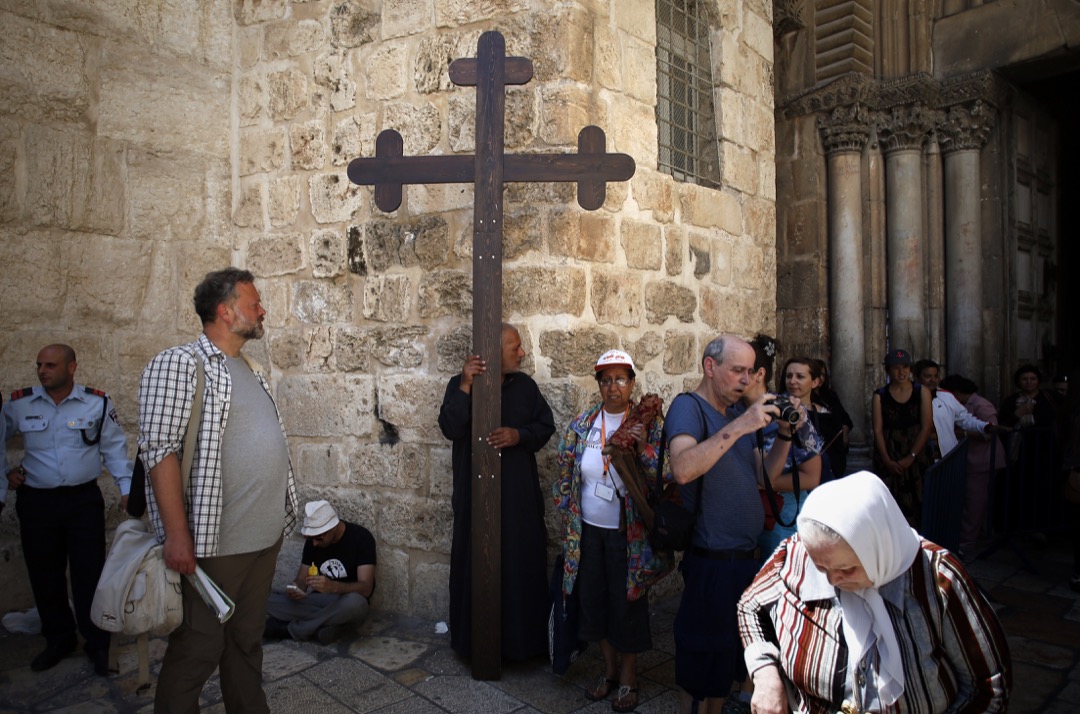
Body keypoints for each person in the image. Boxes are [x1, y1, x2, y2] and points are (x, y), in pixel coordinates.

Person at [138, 267, 299, 714]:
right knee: (197, 650)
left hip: (263, 539)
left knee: (246, 643)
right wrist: (176, 535)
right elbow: (159, 451)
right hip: (214, 544)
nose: (262, 309)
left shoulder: (249, 367)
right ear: (225, 312)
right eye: (253, 303)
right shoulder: (181, 363)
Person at [738, 471, 1012, 714]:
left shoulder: (937, 577)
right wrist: (764, 674)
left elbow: (989, 685)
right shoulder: (798, 554)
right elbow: (750, 606)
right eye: (821, 567)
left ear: (879, 550)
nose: (833, 579)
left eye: (848, 568)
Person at [665, 334, 788, 714]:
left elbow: (762, 475)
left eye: (751, 372)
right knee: (701, 658)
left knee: (729, 659)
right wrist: (744, 424)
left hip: (746, 561)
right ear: (710, 366)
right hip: (712, 561)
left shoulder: (735, 415)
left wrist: (784, 435)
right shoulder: (689, 408)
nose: (746, 380)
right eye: (738, 370)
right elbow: (683, 469)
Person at [0, 344, 133, 676]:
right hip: (37, 502)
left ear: (71, 367)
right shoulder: (19, 405)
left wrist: (127, 489)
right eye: (39, 365)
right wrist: (5, 472)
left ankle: (97, 643)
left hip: (82, 502)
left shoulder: (97, 403)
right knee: (45, 574)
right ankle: (59, 639)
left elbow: (115, 449)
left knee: (90, 573)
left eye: (50, 365)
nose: (43, 370)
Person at [553, 349, 670, 712]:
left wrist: (642, 448)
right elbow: (566, 472)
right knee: (594, 601)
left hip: (628, 535)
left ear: (632, 383)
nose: (613, 387)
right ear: (599, 386)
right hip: (587, 532)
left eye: (621, 379)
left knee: (628, 605)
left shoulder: (647, 424)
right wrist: (567, 510)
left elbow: (663, 474)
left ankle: (630, 678)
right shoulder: (583, 424)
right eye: (606, 380)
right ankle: (609, 671)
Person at [438, 322, 555, 660]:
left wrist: (519, 436)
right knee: (477, 567)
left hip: (518, 500)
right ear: (493, 351)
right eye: (515, 347)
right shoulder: (460, 385)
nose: (522, 353)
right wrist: (464, 385)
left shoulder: (526, 387)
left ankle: (522, 647)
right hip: (475, 501)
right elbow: (450, 426)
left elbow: (545, 425)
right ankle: (473, 645)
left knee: (520, 568)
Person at [745, 338, 823, 560]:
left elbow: (812, 476)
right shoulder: (731, 411)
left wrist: (762, 484)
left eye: (741, 369)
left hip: (783, 518)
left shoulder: (789, 411)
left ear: (759, 374)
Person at [265, 500, 376, 644]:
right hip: (317, 602)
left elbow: (366, 589)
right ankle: (328, 626)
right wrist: (296, 588)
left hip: (345, 602)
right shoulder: (313, 543)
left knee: (355, 603)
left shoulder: (361, 538)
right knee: (265, 598)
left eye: (319, 538)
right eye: (311, 538)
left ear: (333, 528)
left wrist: (333, 587)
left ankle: (292, 629)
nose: (315, 543)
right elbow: (301, 580)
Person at [939, 374, 1007, 551]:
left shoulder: (981, 405)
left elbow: (989, 430)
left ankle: (967, 540)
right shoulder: (965, 404)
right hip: (972, 460)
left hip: (983, 461)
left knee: (974, 502)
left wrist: (962, 433)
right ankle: (983, 534)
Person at [871, 349, 934, 526]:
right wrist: (887, 460)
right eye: (896, 368)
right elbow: (877, 429)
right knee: (891, 504)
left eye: (905, 367)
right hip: (890, 452)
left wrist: (911, 456)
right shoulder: (880, 396)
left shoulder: (921, 392)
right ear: (888, 370)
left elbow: (926, 426)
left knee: (919, 500)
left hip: (916, 452)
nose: (901, 372)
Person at [913, 359, 995, 460]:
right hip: (920, 457)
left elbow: (965, 419)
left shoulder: (946, 396)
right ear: (916, 378)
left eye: (936, 376)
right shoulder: (908, 398)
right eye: (928, 376)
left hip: (947, 457)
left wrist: (985, 426)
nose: (933, 380)